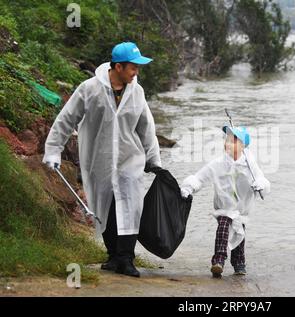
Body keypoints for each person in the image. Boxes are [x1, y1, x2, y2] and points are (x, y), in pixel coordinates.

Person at [42, 42, 162, 278]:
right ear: (118, 67)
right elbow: (66, 119)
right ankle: (113, 257)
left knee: (131, 205)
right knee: (105, 207)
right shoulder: (89, 89)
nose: (136, 72)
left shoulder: (137, 91)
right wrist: (53, 150)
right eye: (133, 68)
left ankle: (127, 258)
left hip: (130, 158)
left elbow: (146, 127)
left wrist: (153, 158)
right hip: (99, 159)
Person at [180, 126, 270, 278]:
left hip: (241, 210)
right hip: (223, 207)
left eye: (233, 141)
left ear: (243, 145)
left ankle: (239, 263)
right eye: (227, 140)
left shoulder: (250, 165)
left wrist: (260, 185)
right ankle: (218, 262)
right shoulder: (218, 163)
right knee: (223, 229)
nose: (228, 144)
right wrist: (189, 188)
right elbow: (201, 177)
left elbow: (261, 180)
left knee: (239, 234)